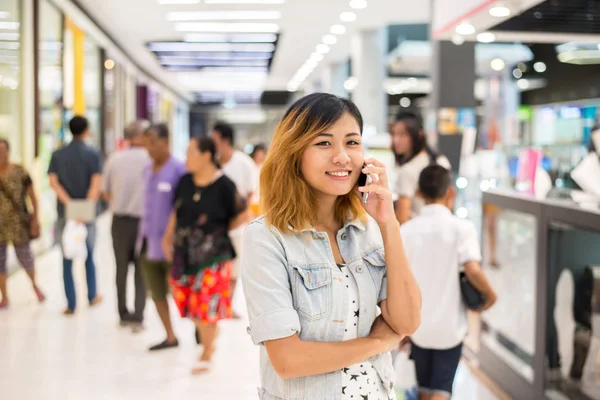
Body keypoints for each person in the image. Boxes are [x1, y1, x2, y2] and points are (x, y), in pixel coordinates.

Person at [242, 93, 422, 399]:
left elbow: (407, 322)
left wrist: (389, 224)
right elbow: (288, 360)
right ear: (294, 152)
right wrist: (379, 342)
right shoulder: (266, 238)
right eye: (324, 143)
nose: (342, 156)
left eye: (352, 142)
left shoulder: (367, 230)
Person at [400, 165, 497, 400]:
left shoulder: (406, 231)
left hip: (418, 326)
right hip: (450, 327)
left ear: (418, 193)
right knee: (442, 389)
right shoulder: (461, 229)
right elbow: (472, 269)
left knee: (423, 388)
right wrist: (491, 296)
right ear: (450, 193)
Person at [162, 137, 248, 374]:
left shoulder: (224, 185)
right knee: (187, 302)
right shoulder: (185, 182)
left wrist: (220, 232)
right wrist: (167, 237)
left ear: (207, 155)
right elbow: (176, 212)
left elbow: (243, 213)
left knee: (206, 306)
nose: (186, 158)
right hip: (184, 254)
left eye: (191, 152)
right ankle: (209, 337)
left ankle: (207, 352)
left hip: (214, 257)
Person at [48, 116, 103, 315]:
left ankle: (71, 304)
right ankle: (92, 295)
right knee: (88, 255)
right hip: (86, 214)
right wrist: (83, 209)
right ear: (87, 130)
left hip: (65, 213)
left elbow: (53, 182)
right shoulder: (93, 154)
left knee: (67, 256)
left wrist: (70, 205)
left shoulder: (57, 154)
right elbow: (96, 184)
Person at [139, 123, 187, 351]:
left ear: (165, 142)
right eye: (146, 142)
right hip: (147, 242)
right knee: (156, 291)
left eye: (152, 142)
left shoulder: (179, 170)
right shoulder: (147, 170)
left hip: (172, 246)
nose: (148, 148)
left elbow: (183, 208)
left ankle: (200, 329)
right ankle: (170, 335)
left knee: (182, 290)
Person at [102, 120, 150, 330]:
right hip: (145, 223)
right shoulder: (151, 160)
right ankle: (139, 315)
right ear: (141, 136)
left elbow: (105, 192)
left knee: (121, 269)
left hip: (120, 221)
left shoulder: (114, 159)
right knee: (142, 270)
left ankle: (122, 313)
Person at [211, 122, 258, 318]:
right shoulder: (211, 162)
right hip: (213, 227)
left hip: (237, 226)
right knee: (213, 269)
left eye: (215, 140)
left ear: (225, 141)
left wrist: (238, 218)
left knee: (234, 271)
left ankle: (226, 306)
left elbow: (250, 194)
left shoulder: (243, 163)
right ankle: (215, 305)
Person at [0, 139, 45, 308]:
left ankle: (35, 285)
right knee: (0, 261)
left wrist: (35, 218)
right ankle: (4, 296)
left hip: (18, 223)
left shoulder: (19, 171)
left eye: (3, 151)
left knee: (25, 256)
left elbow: (33, 196)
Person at [390, 109, 451, 225]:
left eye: (402, 134)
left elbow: (402, 218)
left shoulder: (407, 170)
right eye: (394, 134)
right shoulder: (442, 161)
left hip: (415, 235)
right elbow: (449, 201)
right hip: (442, 230)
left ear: (418, 134)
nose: (396, 140)